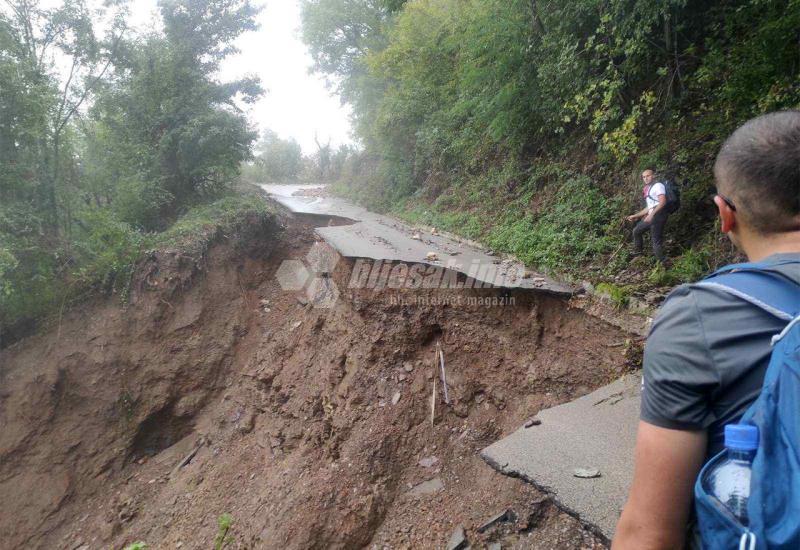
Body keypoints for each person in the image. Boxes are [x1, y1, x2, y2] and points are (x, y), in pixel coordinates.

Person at [612, 111, 800, 550]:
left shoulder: (699, 318)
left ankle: (654, 260)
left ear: (724, 214)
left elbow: (649, 533)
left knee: (650, 236)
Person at [626, 170, 671, 263]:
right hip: (652, 216)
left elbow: (662, 202)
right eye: (644, 177)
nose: (646, 178)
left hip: (659, 216)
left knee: (655, 241)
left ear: (653, 176)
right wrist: (636, 215)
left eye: (648, 176)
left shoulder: (658, 186)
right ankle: (639, 255)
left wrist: (651, 215)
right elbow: (649, 207)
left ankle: (664, 263)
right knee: (636, 231)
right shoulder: (648, 188)